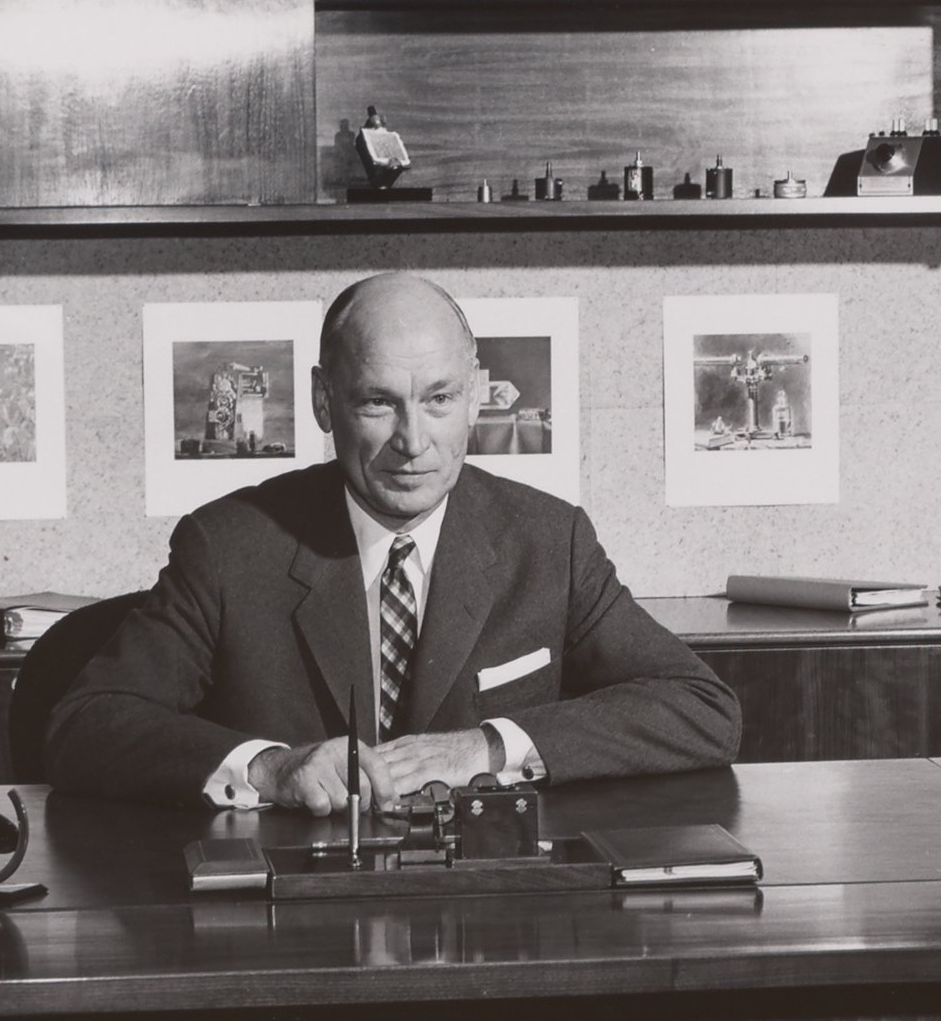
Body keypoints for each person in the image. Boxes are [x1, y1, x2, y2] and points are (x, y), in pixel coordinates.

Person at [48, 273, 741, 809]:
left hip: (492, 907)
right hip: (290, 913)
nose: (413, 441)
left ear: (475, 395)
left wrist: (486, 748)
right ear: (324, 402)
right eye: (378, 402)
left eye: (439, 399)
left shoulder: (549, 541)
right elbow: (85, 723)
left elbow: (701, 707)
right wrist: (269, 767)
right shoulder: (228, 547)